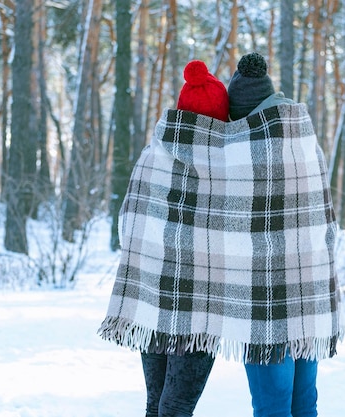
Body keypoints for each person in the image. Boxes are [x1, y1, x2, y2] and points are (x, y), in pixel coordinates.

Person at [99, 53, 343, 417]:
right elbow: (321, 219)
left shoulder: (161, 154)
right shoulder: (301, 143)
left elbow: (130, 221)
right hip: (305, 294)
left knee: (178, 404)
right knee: (303, 400)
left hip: (175, 297)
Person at [99, 59, 229, 417]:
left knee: (156, 404)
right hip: (198, 308)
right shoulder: (227, 164)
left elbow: (130, 221)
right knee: (177, 405)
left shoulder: (153, 154)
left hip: (152, 299)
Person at [227, 51, 344, 417]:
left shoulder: (244, 146)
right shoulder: (304, 135)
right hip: (310, 293)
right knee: (304, 401)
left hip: (266, 300)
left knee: (272, 405)